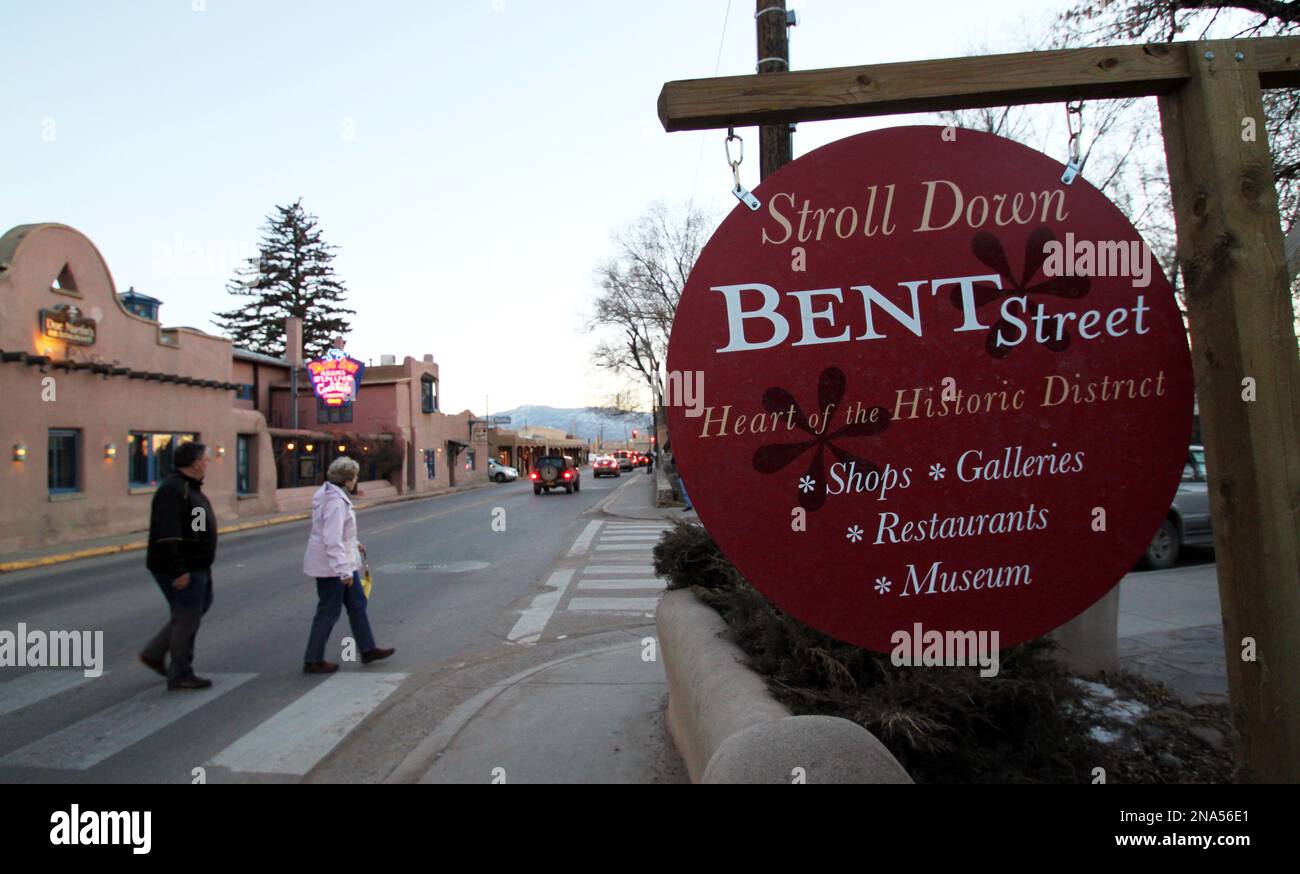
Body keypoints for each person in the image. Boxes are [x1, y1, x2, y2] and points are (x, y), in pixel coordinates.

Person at [302, 457, 394, 674]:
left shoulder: (332, 496)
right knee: (328, 611)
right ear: (347, 479)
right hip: (334, 567)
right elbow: (332, 539)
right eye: (354, 476)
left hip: (343, 561)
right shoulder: (335, 502)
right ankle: (313, 659)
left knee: (358, 605)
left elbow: (341, 535)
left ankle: (367, 648)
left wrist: (355, 544)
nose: (356, 480)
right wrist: (343, 571)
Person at [139, 441, 218, 690]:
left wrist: (202, 554)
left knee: (192, 611)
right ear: (195, 463)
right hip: (182, 568)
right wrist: (179, 570)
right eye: (206, 459)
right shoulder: (173, 490)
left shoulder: (190, 489)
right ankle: (181, 673)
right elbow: (168, 533)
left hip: (197, 565)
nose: (207, 463)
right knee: (187, 617)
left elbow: (194, 529)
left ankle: (155, 653)